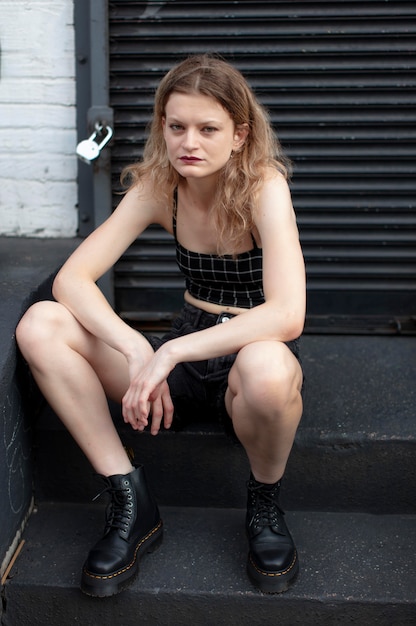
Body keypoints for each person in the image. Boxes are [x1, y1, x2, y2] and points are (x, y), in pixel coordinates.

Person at [16, 54, 305, 597]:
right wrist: (133, 347)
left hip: (249, 351)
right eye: (176, 126)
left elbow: (288, 314)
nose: (188, 142)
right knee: (41, 324)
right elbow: (72, 280)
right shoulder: (160, 187)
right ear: (162, 127)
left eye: (207, 128)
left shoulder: (265, 186)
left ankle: (264, 503)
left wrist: (171, 353)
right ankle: (130, 498)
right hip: (181, 353)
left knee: (266, 366)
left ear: (240, 135)